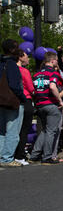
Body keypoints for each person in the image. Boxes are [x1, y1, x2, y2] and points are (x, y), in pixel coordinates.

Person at [29, 52, 63, 165]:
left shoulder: (36, 74)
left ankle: (34, 156)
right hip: (51, 104)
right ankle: (47, 157)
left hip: (40, 105)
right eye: (57, 61)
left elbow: (33, 91)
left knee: (44, 131)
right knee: (51, 131)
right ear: (53, 61)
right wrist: (60, 100)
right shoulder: (53, 73)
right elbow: (52, 86)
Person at [0, 39, 27, 167]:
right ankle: (7, 158)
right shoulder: (12, 65)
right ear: (12, 50)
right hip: (12, 101)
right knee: (12, 130)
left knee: (1, 131)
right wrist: (23, 98)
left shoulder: (1, 63)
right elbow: (15, 85)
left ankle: (2, 155)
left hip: (1, 100)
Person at [14, 49, 35, 166]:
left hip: (14, 101)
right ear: (20, 57)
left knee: (13, 129)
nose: (28, 59)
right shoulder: (24, 71)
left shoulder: (10, 70)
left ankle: (11, 153)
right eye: (26, 56)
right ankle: (20, 155)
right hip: (26, 99)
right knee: (24, 130)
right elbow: (31, 88)